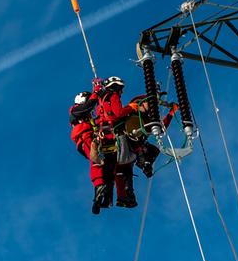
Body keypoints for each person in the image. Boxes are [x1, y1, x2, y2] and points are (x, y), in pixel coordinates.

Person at [96, 76, 138, 208]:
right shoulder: (113, 96)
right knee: (127, 162)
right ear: (116, 87)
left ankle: (107, 199)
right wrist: (131, 108)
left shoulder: (101, 99)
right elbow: (119, 113)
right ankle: (126, 197)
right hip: (115, 134)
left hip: (104, 136)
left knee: (111, 169)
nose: (122, 92)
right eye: (121, 89)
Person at [69, 90, 113, 215]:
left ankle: (104, 195)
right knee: (96, 160)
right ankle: (99, 187)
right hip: (85, 137)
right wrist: (95, 94)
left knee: (107, 164)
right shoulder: (75, 110)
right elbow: (88, 106)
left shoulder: (88, 118)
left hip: (92, 137)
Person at [125, 95, 178, 177]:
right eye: (148, 103)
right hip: (127, 143)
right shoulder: (131, 109)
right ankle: (144, 163)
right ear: (141, 103)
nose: (151, 107)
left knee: (154, 151)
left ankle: (145, 165)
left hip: (136, 147)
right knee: (142, 150)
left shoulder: (146, 120)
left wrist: (171, 112)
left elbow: (160, 128)